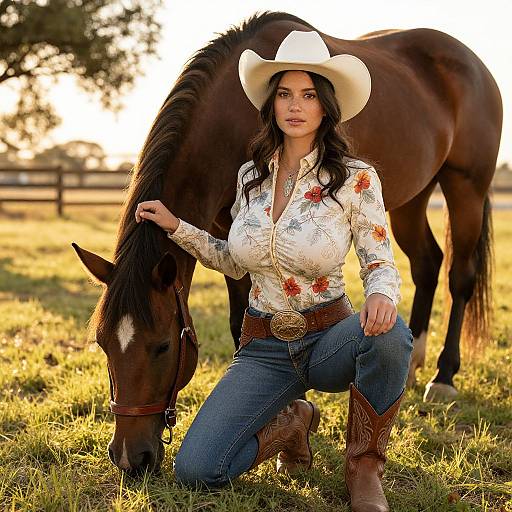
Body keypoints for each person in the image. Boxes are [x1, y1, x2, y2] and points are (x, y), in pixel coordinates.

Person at [135, 30, 413, 512]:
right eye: (285, 94)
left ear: (326, 106)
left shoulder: (355, 178)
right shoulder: (250, 176)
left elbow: (378, 260)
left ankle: (364, 467)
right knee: (197, 470)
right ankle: (291, 425)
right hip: (264, 345)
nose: (295, 106)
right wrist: (178, 226)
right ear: (272, 103)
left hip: (330, 339)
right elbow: (234, 260)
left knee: (391, 336)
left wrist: (382, 295)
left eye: (308, 95)